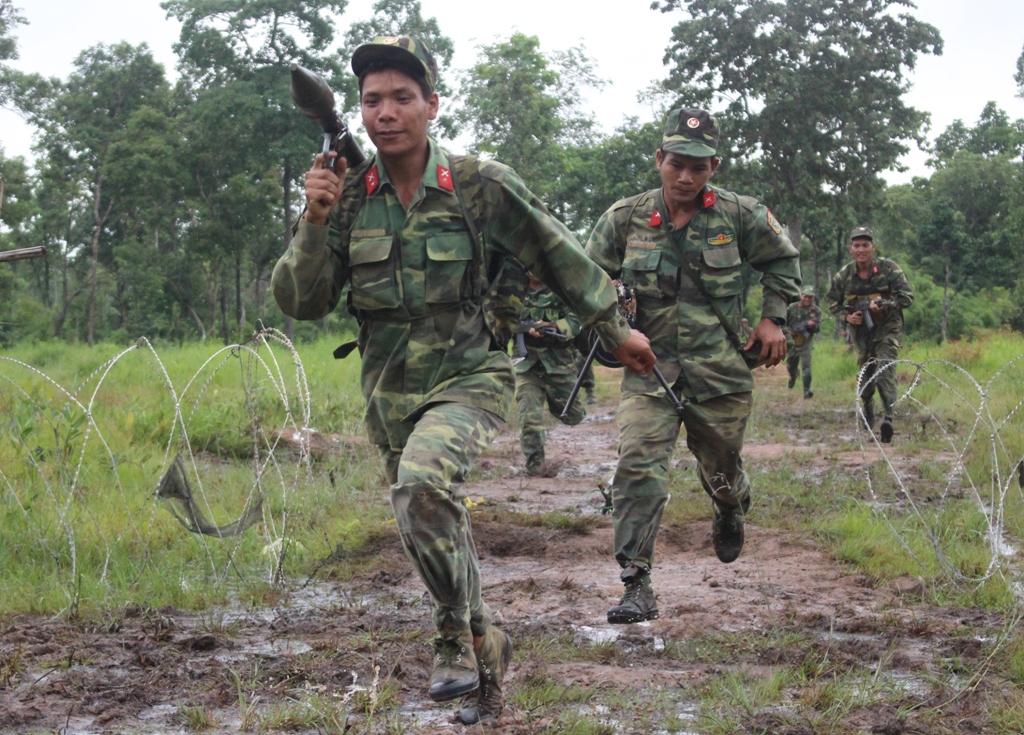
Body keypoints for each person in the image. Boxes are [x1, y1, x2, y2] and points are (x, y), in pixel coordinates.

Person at [271, 36, 656, 723]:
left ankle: (450, 633)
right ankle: (488, 655)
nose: (385, 113)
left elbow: (556, 250)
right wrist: (314, 218)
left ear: (431, 105)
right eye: (371, 101)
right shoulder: (350, 197)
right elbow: (301, 300)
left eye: (401, 98)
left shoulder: (480, 185)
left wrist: (614, 327)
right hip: (388, 391)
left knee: (422, 484)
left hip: (471, 374)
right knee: (430, 519)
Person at [586, 107, 801, 624]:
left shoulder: (740, 214)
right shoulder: (625, 218)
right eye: (676, 163)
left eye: (698, 167)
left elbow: (782, 261)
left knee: (721, 470)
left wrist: (773, 319)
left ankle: (730, 505)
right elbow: (586, 279)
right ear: (659, 159)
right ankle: (637, 584)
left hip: (720, 372)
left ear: (714, 167)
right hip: (649, 369)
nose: (685, 176)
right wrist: (615, 332)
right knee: (637, 465)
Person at [825, 226, 913, 443]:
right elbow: (831, 301)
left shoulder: (889, 269)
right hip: (861, 331)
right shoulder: (844, 275)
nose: (861, 249)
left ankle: (889, 418)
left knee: (885, 368)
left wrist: (885, 305)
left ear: (873, 247)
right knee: (866, 372)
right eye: (857, 245)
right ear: (850, 249)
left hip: (887, 327)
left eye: (866, 245)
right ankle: (868, 407)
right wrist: (847, 317)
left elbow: (907, 298)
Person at [515, 272, 586, 476]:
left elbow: (578, 319)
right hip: (527, 364)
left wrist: (553, 327)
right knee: (529, 417)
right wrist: (521, 328)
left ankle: (557, 405)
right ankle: (535, 467)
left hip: (559, 364)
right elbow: (497, 317)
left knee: (573, 415)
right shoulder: (514, 288)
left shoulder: (563, 288)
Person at [786, 286, 823, 398]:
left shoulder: (817, 311)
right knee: (791, 365)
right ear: (801, 296)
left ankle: (807, 390)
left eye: (810, 297)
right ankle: (793, 376)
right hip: (792, 341)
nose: (808, 299)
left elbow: (818, 329)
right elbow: (782, 322)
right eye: (806, 296)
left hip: (807, 341)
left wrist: (812, 326)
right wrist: (788, 331)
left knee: (807, 366)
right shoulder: (792, 308)